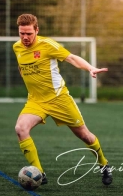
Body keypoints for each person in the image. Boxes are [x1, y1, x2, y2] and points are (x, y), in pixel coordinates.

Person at [13, 13, 112, 186]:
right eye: (22, 33)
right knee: (20, 129)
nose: (25, 37)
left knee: (85, 137)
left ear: (37, 30)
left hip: (59, 99)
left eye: (29, 33)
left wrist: (90, 68)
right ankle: (39, 174)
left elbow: (72, 58)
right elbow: (22, 67)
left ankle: (104, 165)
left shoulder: (48, 45)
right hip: (36, 101)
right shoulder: (17, 47)